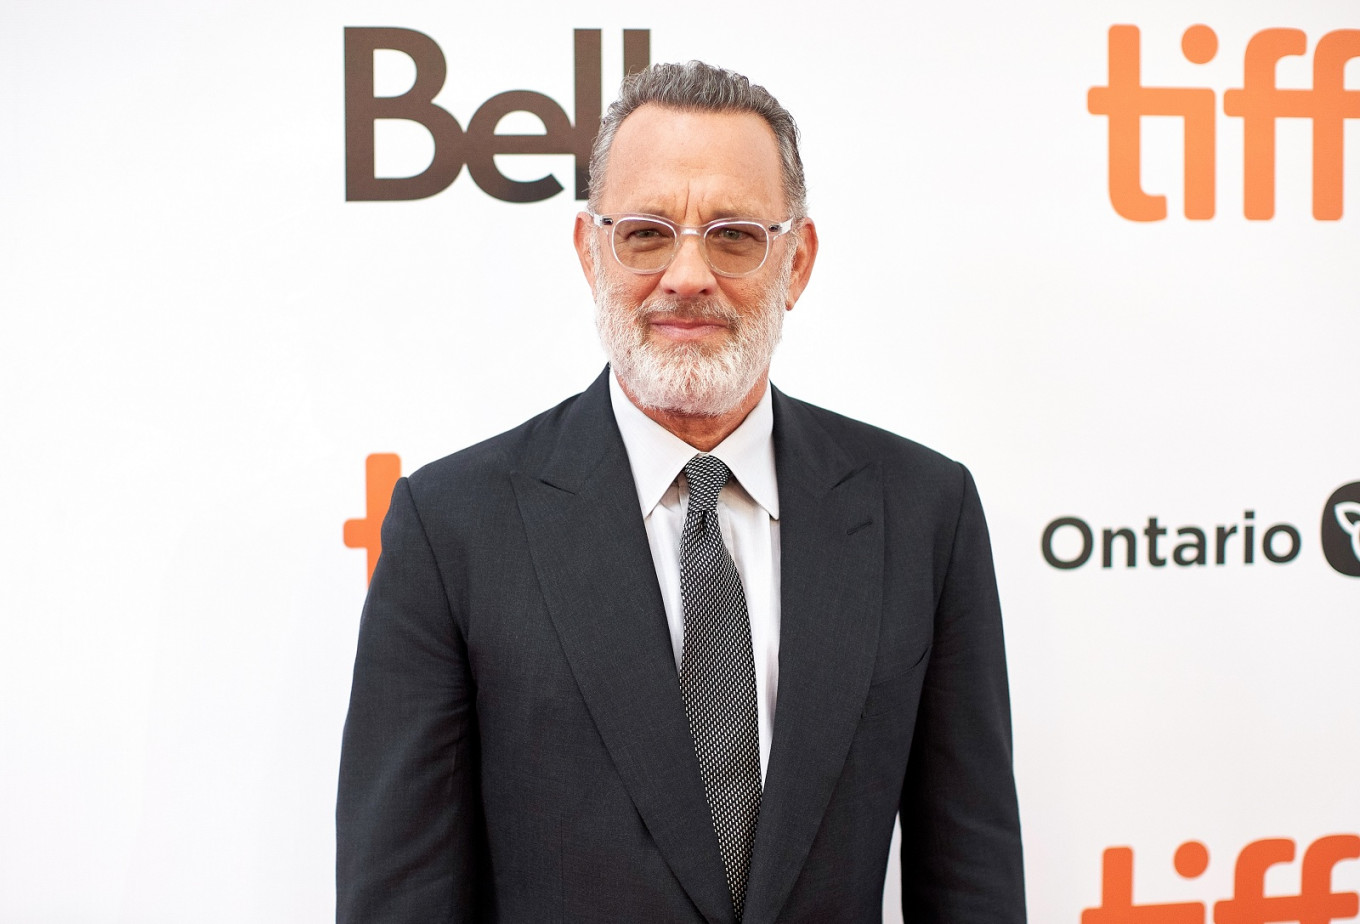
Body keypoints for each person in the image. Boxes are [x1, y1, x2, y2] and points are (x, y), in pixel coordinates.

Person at [336, 61, 1025, 923]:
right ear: (591, 252)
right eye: (647, 233)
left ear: (797, 261)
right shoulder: (454, 528)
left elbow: (971, 881)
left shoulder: (924, 513)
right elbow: (401, 897)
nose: (688, 275)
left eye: (734, 234)